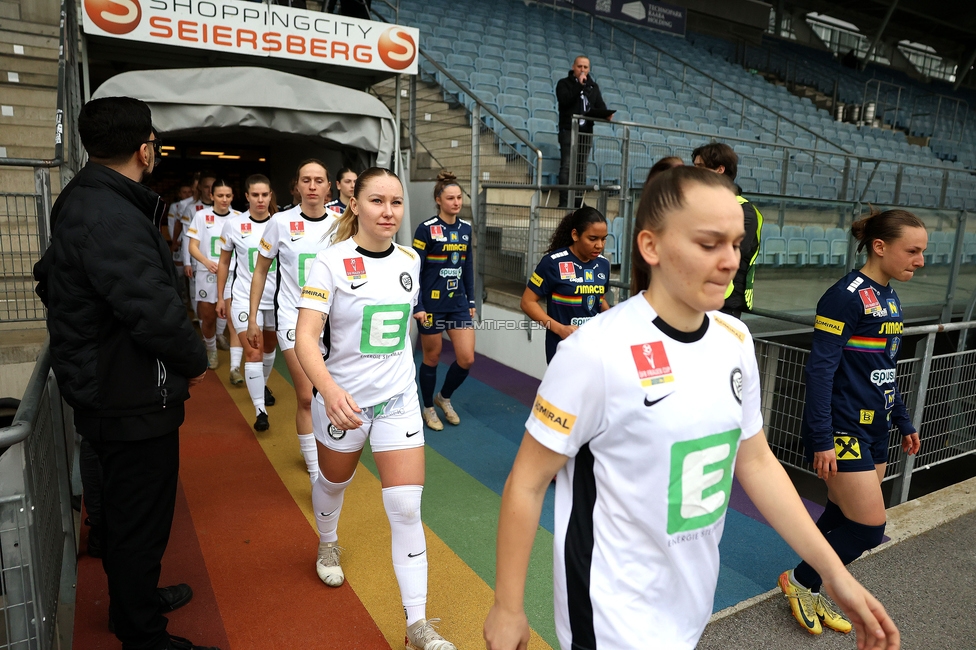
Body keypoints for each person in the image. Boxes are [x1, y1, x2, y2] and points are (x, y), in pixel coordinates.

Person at [483, 167, 900, 650]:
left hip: (690, 606)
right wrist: (508, 606)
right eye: (709, 243)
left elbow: (758, 462)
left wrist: (835, 575)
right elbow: (527, 482)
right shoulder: (594, 352)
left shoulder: (736, 340)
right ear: (651, 247)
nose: (730, 261)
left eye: (736, 244)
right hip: (611, 615)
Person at [34, 96, 218, 650]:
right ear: (145, 149)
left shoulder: (89, 197)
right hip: (128, 395)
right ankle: (142, 633)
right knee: (141, 518)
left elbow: (49, 277)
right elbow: (152, 309)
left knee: (125, 514)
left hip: (114, 387)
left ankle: (132, 601)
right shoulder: (110, 213)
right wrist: (195, 359)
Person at [295, 167, 457, 650]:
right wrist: (328, 389)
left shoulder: (410, 259)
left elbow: (404, 317)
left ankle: (416, 626)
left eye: (396, 202)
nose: (388, 211)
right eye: (377, 201)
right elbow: (306, 337)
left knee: (406, 507)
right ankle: (327, 540)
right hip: (343, 406)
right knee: (333, 483)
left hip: (399, 402)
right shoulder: (329, 262)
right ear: (355, 205)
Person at [779, 209, 925, 636]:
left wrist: (902, 418)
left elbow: (886, 367)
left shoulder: (890, 296)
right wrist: (821, 437)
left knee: (843, 515)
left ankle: (807, 581)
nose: (919, 260)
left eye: (921, 252)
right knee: (868, 527)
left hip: (877, 426)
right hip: (843, 429)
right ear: (880, 247)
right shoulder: (845, 295)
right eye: (912, 251)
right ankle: (802, 581)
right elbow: (820, 371)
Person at [248, 159, 336, 489]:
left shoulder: (342, 224)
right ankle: (315, 473)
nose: (312, 186)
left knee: (329, 395)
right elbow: (260, 270)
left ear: (329, 187)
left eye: (319, 180)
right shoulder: (280, 223)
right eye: (306, 180)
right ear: (296, 186)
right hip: (292, 319)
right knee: (306, 395)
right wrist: (254, 317)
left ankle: (324, 446)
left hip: (331, 322)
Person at [412, 171, 475, 431]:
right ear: (439, 200)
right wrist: (419, 305)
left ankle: (443, 398)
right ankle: (428, 407)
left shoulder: (466, 229)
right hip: (432, 306)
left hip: (458, 304)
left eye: (459, 197)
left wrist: (471, 301)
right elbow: (414, 269)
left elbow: (468, 266)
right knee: (432, 357)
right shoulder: (426, 229)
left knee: (466, 358)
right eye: (450, 198)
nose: (456, 202)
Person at [218, 174, 279, 432]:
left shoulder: (281, 224)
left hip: (277, 300)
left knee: (269, 349)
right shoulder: (233, 225)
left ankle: (261, 384)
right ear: (247, 196)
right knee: (254, 350)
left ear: (271, 195)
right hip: (243, 298)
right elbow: (223, 262)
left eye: (265, 195)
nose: (261, 200)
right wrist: (222, 296)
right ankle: (260, 410)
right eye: (255, 195)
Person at [520, 206, 610, 364]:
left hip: (594, 348)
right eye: (593, 238)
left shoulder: (603, 264)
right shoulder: (553, 263)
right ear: (575, 235)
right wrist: (559, 329)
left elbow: (598, 299)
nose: (599, 245)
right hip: (562, 350)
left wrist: (611, 318)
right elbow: (527, 303)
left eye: (603, 239)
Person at [692, 142, 763, 318]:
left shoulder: (743, 210)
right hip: (694, 295)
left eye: (701, 167)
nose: (694, 172)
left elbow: (731, 253)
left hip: (724, 302)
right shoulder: (695, 204)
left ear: (720, 170)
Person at [187, 179, 240, 372]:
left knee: (229, 313)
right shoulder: (201, 216)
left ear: (232, 197)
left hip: (233, 274)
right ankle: (211, 349)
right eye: (220, 195)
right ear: (211, 196)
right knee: (208, 316)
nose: (224, 199)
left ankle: (221, 337)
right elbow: (192, 246)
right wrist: (206, 261)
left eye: (228, 196)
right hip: (207, 274)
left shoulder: (239, 217)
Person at [556, 56, 607, 207]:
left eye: (585, 67)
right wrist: (579, 85)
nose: (582, 70)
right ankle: (564, 201)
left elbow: (600, 106)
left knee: (580, 168)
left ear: (589, 69)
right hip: (568, 130)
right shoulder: (563, 84)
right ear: (573, 67)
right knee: (567, 166)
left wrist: (606, 114)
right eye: (580, 67)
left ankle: (578, 201)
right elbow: (564, 101)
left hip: (586, 132)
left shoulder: (593, 86)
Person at [179, 172, 216, 323]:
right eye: (206, 186)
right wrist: (187, 262)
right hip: (198, 261)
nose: (209, 190)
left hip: (220, 261)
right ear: (200, 187)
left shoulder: (226, 207)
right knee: (199, 295)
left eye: (212, 187)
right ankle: (202, 325)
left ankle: (219, 333)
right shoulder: (192, 208)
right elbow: (186, 237)